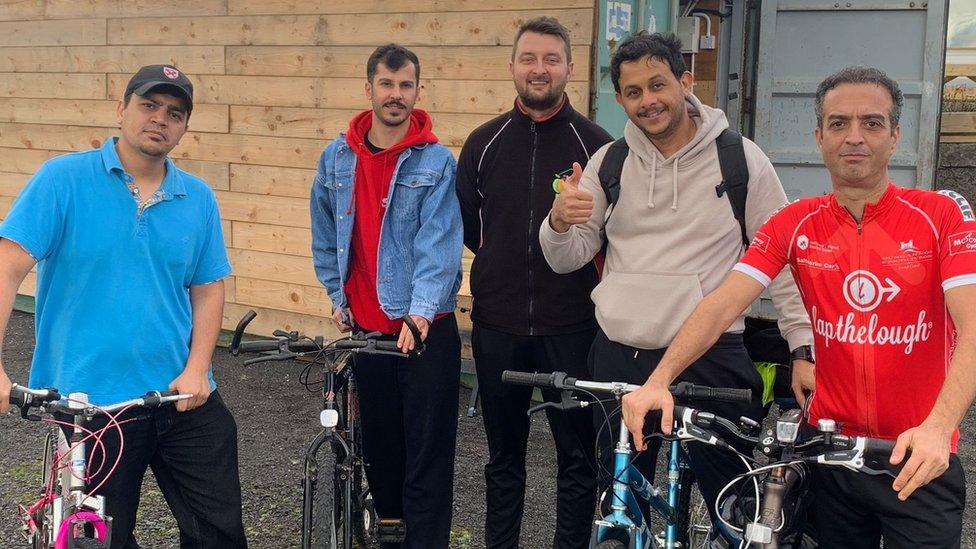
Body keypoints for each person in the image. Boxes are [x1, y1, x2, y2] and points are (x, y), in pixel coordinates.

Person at [621, 66, 974, 548]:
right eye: (837, 123)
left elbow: (972, 325)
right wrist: (658, 382)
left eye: (871, 123)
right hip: (829, 454)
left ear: (894, 137)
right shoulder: (796, 221)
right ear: (818, 137)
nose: (854, 137)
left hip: (917, 453)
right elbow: (722, 304)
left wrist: (940, 427)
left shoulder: (941, 216)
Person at [537, 32, 814, 520]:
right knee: (623, 504)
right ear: (621, 99)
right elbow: (568, 258)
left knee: (730, 505)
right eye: (634, 92)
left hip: (710, 358)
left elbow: (783, 258)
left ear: (685, 82)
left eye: (658, 84)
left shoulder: (740, 159)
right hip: (620, 356)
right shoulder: (611, 162)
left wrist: (802, 347)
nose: (649, 101)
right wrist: (559, 221)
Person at [0, 65, 245, 548]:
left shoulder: (197, 197)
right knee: (101, 540)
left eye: (174, 113)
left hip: (181, 395)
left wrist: (198, 368)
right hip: (92, 405)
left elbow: (208, 286)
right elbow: (7, 267)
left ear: (184, 127)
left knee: (219, 534)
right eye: (149, 106)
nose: (160, 119)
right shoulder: (63, 180)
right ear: (122, 109)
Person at [455, 16, 613, 549]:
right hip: (498, 325)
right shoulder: (483, 142)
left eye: (551, 59)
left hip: (571, 327)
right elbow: (471, 226)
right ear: (513, 67)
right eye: (529, 59)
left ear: (569, 67)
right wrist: (505, 267)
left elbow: (609, 236)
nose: (539, 69)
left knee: (577, 457)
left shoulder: (596, 146)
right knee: (504, 456)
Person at [310, 44, 463, 549]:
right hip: (367, 330)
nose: (396, 95)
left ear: (417, 91)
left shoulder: (437, 162)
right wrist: (337, 294)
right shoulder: (335, 159)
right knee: (380, 446)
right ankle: (391, 533)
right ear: (369, 88)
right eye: (386, 84)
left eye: (405, 85)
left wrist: (418, 317)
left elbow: (439, 247)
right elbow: (325, 232)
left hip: (423, 331)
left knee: (427, 453)